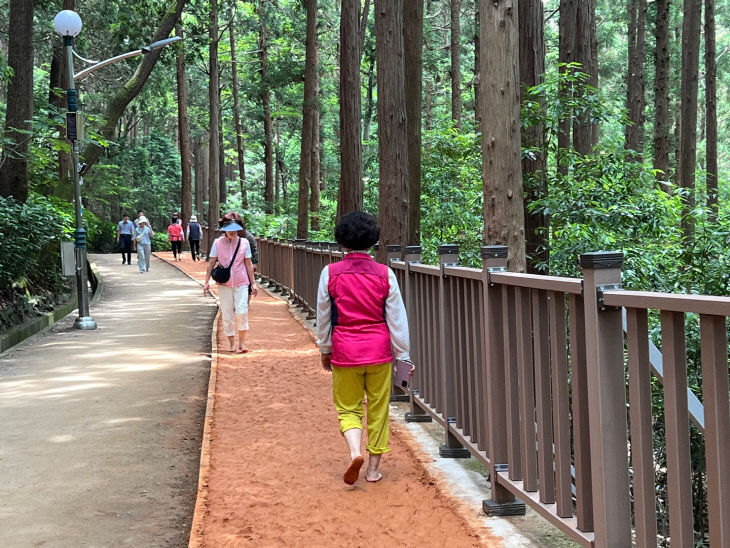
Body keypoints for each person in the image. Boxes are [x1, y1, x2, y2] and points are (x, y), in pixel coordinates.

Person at [316, 211, 414, 485]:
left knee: (348, 408)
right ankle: (372, 469)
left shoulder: (330, 273)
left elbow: (323, 316)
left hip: (345, 350)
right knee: (379, 408)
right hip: (379, 351)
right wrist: (403, 356)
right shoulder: (386, 274)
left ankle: (354, 451)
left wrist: (325, 348)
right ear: (373, 240)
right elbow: (397, 319)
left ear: (341, 241)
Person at [204, 212, 258, 353]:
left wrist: (253, 283)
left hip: (241, 283)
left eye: (235, 229)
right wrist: (206, 282)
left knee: (242, 311)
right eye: (230, 229)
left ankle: (242, 344)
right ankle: (232, 344)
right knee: (227, 314)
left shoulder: (244, 242)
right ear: (224, 229)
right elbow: (211, 263)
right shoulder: (217, 243)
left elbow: (248, 264)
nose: (233, 232)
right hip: (224, 284)